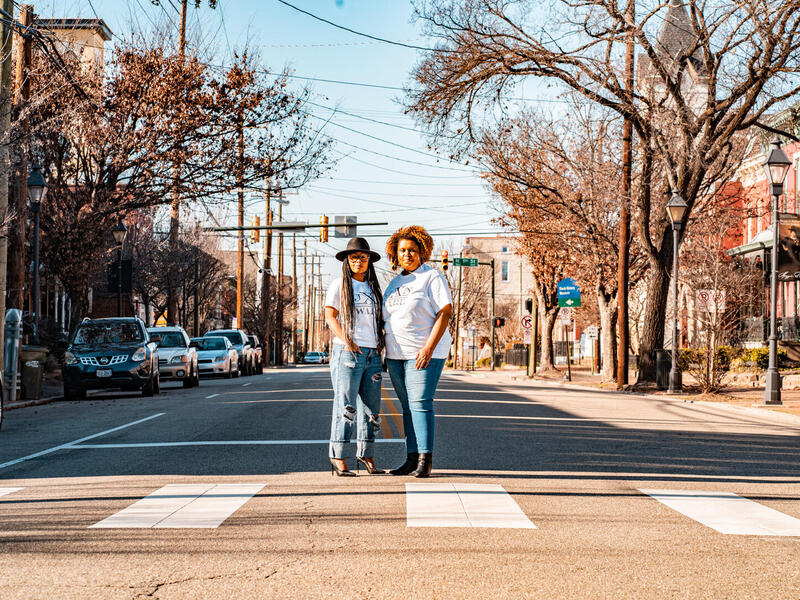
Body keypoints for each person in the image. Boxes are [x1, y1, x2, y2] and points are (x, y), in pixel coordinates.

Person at [383, 226, 453, 478]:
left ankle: (425, 459)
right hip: (395, 355)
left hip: (423, 353)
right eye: (402, 250)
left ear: (422, 252)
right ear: (395, 254)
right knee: (406, 407)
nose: (407, 255)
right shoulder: (394, 283)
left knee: (420, 403)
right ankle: (411, 458)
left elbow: (445, 312)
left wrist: (428, 348)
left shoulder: (432, 277)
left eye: (412, 250)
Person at [324, 237, 385, 477]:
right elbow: (330, 316)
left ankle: (366, 453)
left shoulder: (373, 289)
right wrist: (347, 340)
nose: (358, 261)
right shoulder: (338, 285)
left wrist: (379, 345)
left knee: (372, 410)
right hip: (348, 353)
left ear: (369, 260)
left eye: (362, 257)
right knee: (346, 407)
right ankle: (338, 455)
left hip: (372, 354)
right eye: (353, 258)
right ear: (347, 261)